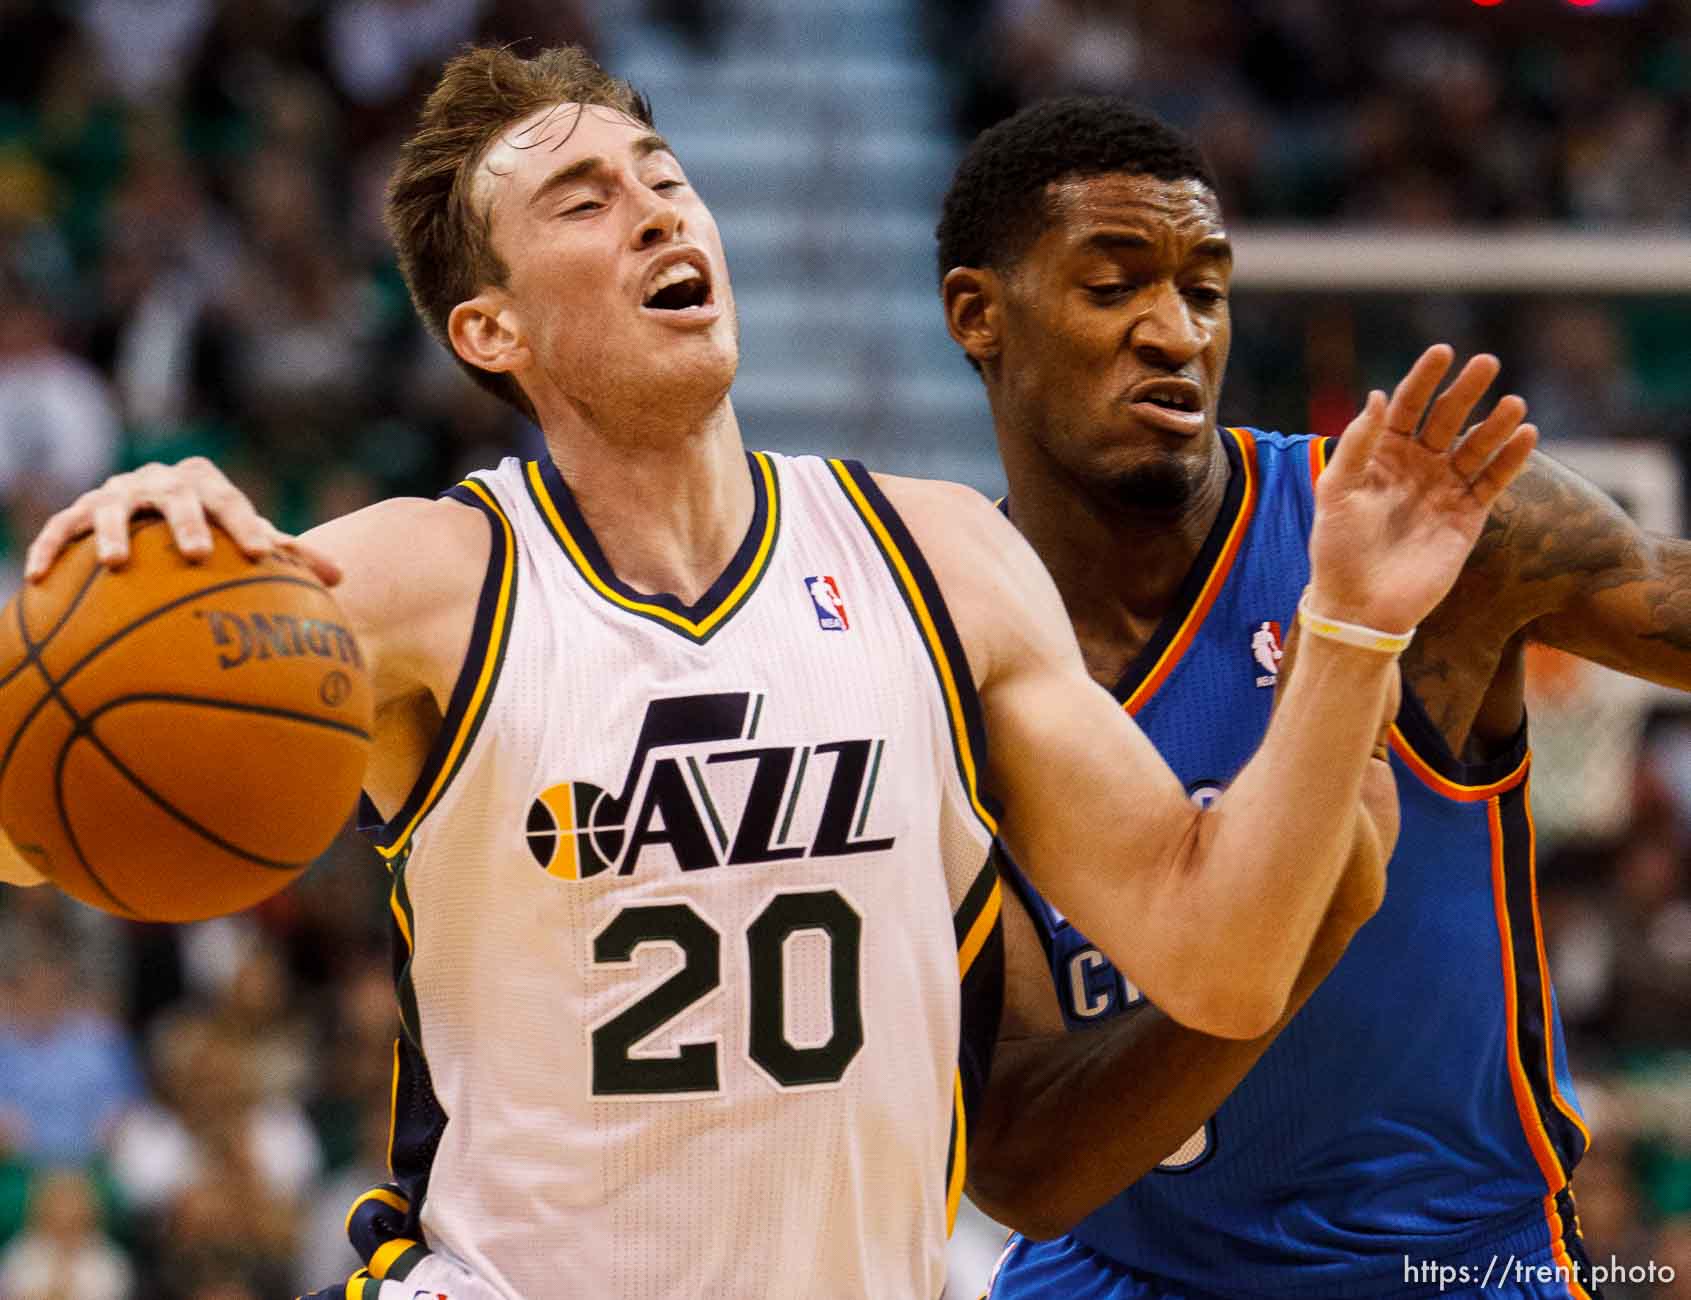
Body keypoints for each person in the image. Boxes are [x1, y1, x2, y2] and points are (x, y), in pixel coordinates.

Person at [14, 47, 1531, 1300]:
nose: (657, 214)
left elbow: (1220, 958)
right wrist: (122, 601)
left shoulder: (936, 561)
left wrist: (1348, 627)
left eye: (666, 181)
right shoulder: (438, 574)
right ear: (492, 326)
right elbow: (49, 802)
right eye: (582, 202)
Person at [935, 96, 1691, 1300]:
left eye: (1203, 290)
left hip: (1449, 1267)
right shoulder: (937, 635)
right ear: (978, 315)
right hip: (1111, 1266)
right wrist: (1287, 930)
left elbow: (1660, 588)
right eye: (1112, 286)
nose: (1172, 333)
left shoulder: (1421, 527)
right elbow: (1021, 1163)